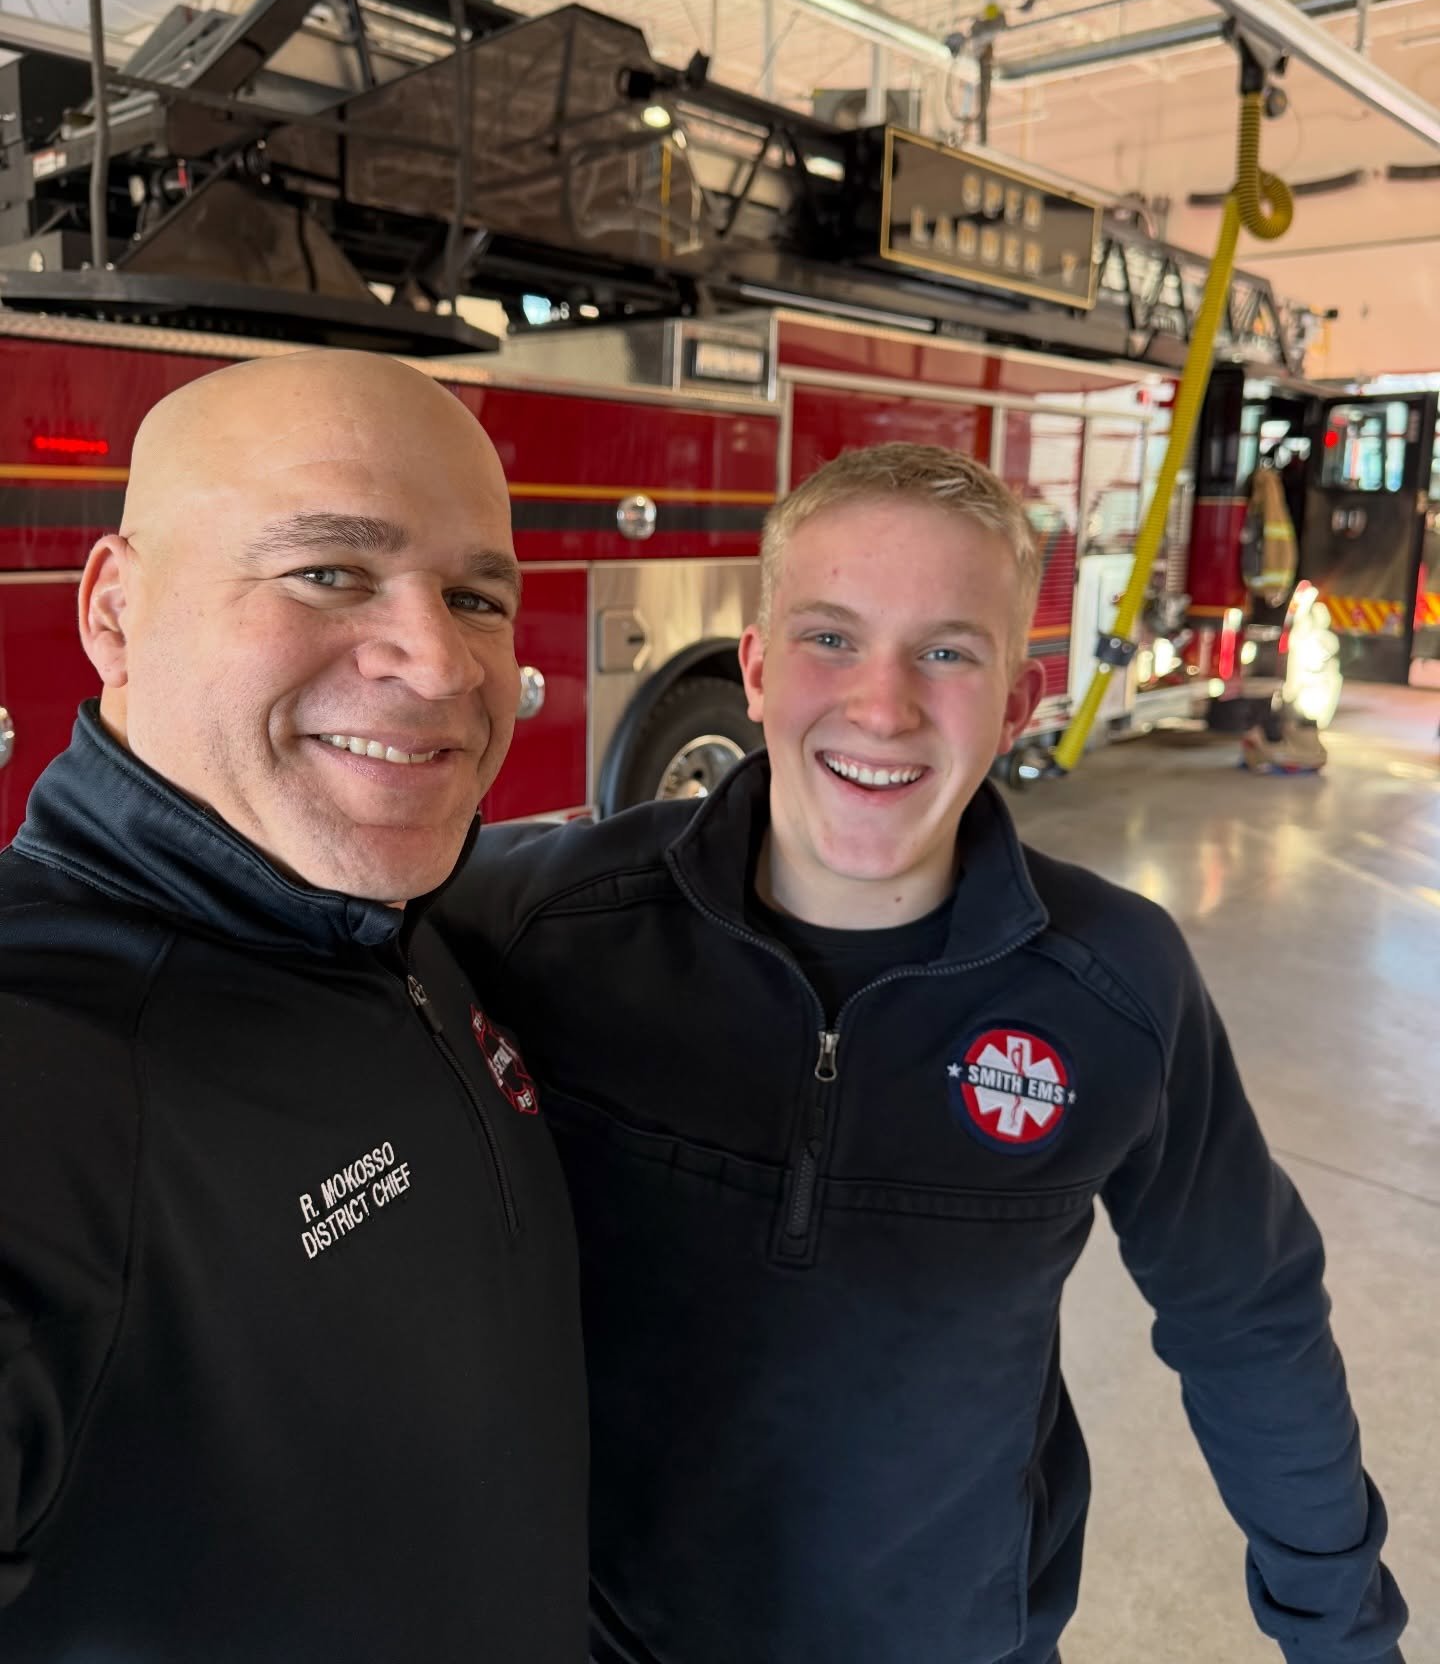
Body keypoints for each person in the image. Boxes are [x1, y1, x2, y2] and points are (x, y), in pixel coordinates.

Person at [437, 442, 1406, 1664]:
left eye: (947, 652)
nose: (883, 706)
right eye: (830, 638)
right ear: (755, 669)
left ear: (1019, 701)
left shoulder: (1116, 986)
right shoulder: (553, 921)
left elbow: (1247, 1316)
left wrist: (1344, 1636)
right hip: (610, 1635)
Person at [0, 353, 587, 1662]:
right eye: (328, 571)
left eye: (476, 596)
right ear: (114, 611)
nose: (439, 664)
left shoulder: (392, 925)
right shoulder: (43, 1057)